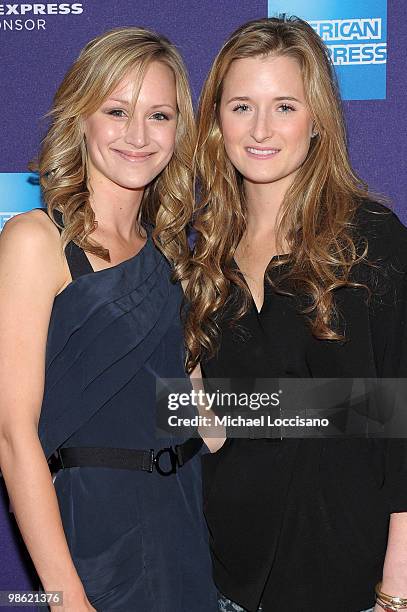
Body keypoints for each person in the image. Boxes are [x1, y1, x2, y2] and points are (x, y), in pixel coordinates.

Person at [185, 16, 407, 612]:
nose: (261, 129)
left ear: (318, 122)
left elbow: (401, 425)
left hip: (350, 585)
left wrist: (397, 588)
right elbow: (209, 426)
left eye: (284, 106)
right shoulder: (200, 251)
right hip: (227, 579)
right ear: (215, 120)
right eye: (241, 107)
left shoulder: (371, 241)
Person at [0, 27, 217, 611]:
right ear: (82, 118)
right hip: (95, 532)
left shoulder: (173, 252)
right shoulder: (35, 240)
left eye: (160, 115)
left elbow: (195, 411)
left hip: (187, 525)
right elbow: (13, 435)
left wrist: (332, 408)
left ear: (180, 130)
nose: (138, 136)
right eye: (117, 110)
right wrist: (66, 598)